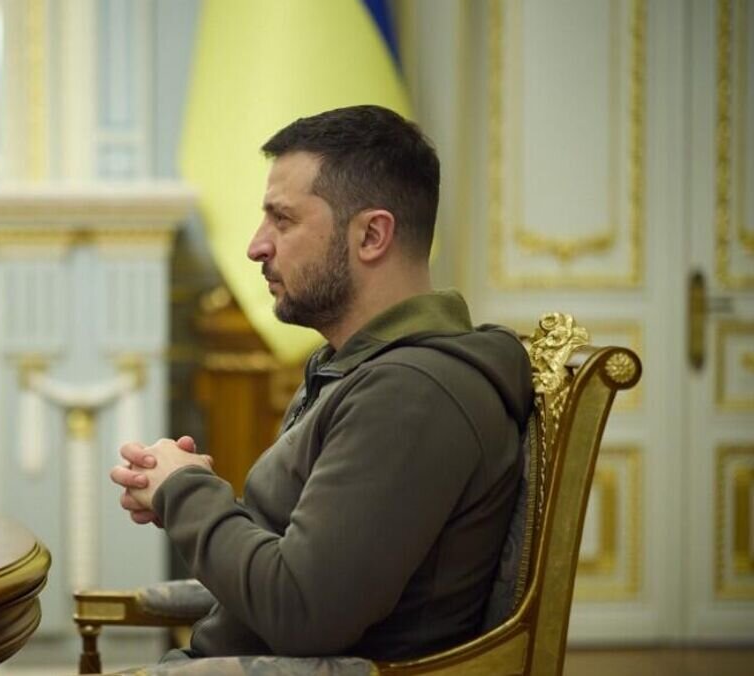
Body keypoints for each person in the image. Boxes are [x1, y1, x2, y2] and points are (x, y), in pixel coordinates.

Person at [109, 105, 532, 661]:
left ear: (372, 235)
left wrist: (185, 492)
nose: (256, 246)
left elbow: (301, 611)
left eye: (282, 220)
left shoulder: (410, 394)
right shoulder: (360, 368)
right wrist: (181, 490)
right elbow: (299, 561)